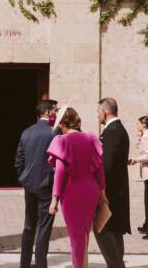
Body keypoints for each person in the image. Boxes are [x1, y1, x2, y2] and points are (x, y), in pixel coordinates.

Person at [47, 108, 105, 268]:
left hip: (73, 193)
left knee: (76, 237)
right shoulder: (90, 137)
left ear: (62, 124)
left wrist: (54, 199)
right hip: (91, 191)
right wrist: (103, 193)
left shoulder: (61, 141)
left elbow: (59, 171)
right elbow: (100, 169)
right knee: (84, 234)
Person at [14, 100, 58, 268]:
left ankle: (24, 263)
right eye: (54, 110)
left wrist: (24, 178)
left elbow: (18, 160)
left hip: (29, 186)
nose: (55, 113)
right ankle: (41, 264)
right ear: (47, 112)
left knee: (29, 225)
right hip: (47, 186)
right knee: (44, 228)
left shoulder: (27, 132)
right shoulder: (54, 132)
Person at [94, 97, 130, 268]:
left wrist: (99, 190)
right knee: (114, 232)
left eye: (98, 112)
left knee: (103, 230)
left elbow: (106, 166)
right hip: (115, 193)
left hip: (111, 194)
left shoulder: (113, 131)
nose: (98, 115)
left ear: (104, 111)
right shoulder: (115, 129)